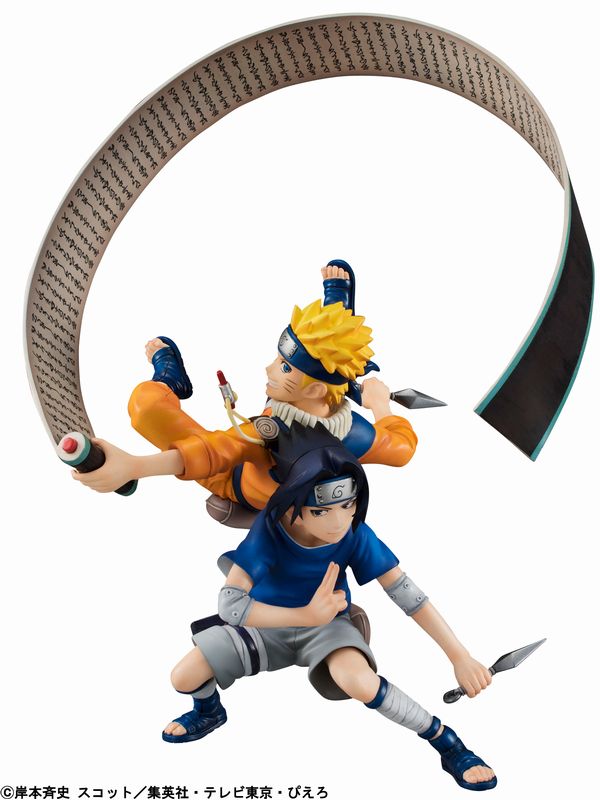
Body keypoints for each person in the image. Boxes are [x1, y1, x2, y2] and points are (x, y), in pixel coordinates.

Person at [162, 423, 497, 791]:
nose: (338, 521)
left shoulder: (355, 534)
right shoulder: (271, 531)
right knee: (183, 677)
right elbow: (230, 605)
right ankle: (209, 711)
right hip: (264, 627)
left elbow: (408, 595)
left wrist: (460, 656)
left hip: (328, 630)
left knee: (359, 682)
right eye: (321, 511)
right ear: (293, 503)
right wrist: (303, 615)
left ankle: (446, 741)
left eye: (348, 505)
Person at [73, 263, 418, 528]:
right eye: (279, 360)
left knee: (146, 406)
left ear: (315, 389)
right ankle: (172, 380)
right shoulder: (351, 429)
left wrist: (135, 467)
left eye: (285, 368)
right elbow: (401, 446)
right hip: (275, 495)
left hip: (234, 485)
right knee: (151, 409)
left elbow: (212, 452)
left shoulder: (272, 433)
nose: (269, 369)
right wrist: (379, 404)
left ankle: (166, 379)